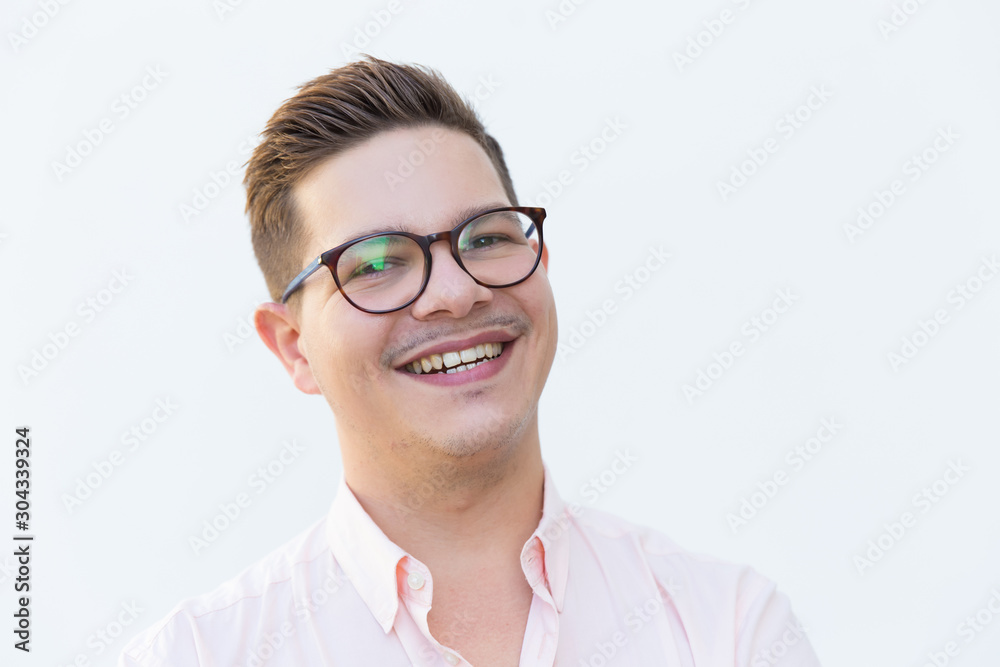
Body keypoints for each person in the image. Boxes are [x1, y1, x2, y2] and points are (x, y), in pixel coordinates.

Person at [119, 56, 822, 666]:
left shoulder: (724, 630)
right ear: (293, 347)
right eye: (376, 263)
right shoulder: (197, 655)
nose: (456, 292)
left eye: (484, 239)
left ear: (540, 260)